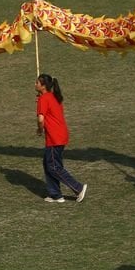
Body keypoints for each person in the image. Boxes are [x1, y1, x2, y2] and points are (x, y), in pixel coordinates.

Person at [35, 74, 87, 203]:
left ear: (43, 86)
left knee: (53, 166)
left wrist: (40, 129)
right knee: (48, 164)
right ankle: (56, 195)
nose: (35, 84)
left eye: (37, 83)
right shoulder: (53, 97)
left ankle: (78, 188)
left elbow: (41, 119)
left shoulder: (44, 99)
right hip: (60, 135)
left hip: (54, 137)